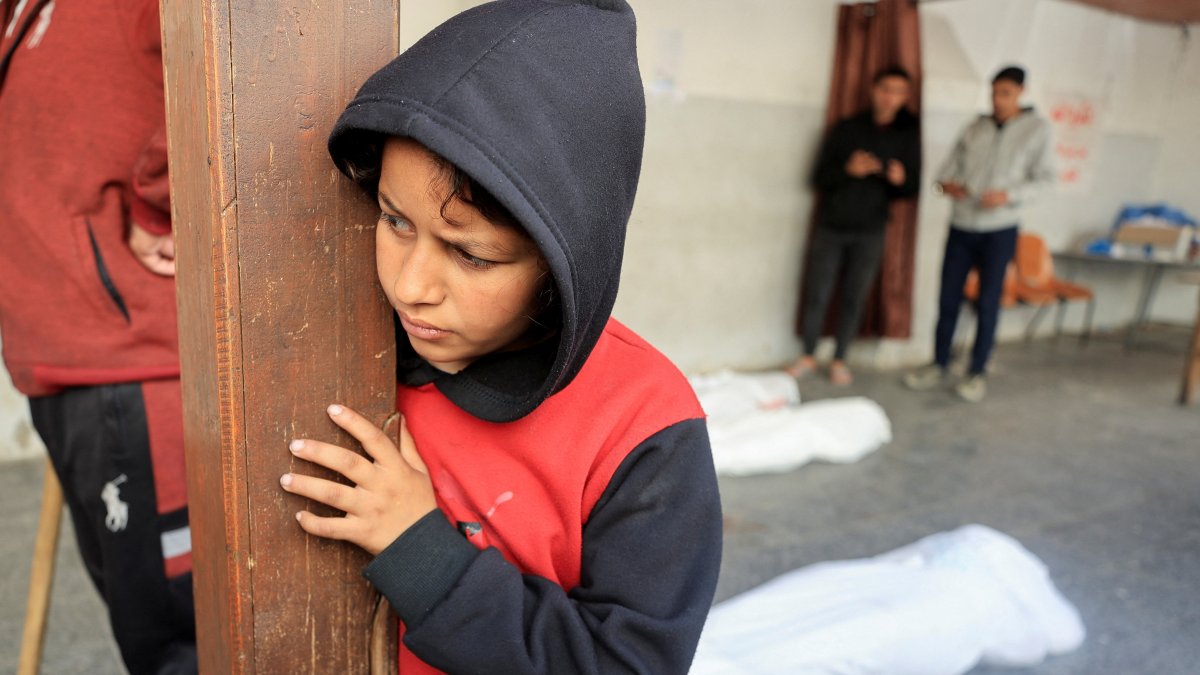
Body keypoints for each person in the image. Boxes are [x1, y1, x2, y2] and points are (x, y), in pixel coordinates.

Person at [277, 1, 723, 673]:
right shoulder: (357, 339)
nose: (411, 286)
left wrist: (421, 553)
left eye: (472, 255)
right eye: (395, 221)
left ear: (562, 261)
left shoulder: (643, 429)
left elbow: (628, 662)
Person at [0, 1, 196, 672]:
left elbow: (235, 58)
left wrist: (161, 199)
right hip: (58, 364)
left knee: (180, 643)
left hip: (133, 374)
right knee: (141, 629)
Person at [903, 65, 1054, 403]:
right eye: (994, 92)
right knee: (948, 299)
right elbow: (942, 176)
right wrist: (948, 187)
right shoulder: (975, 127)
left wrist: (1008, 196)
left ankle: (976, 371)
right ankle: (939, 362)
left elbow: (1046, 180)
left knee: (988, 302)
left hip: (999, 230)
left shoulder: (1036, 131)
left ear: (1021, 93)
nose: (998, 100)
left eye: (1006, 93)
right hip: (961, 226)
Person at [787, 67, 921, 386]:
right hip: (832, 225)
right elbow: (818, 177)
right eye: (885, 88)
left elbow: (911, 188)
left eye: (898, 91)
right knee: (818, 291)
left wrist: (899, 180)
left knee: (854, 296)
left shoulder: (906, 136)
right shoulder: (847, 128)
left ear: (905, 97)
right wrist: (849, 169)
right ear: (874, 90)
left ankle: (840, 358)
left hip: (871, 230)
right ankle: (808, 354)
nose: (890, 97)